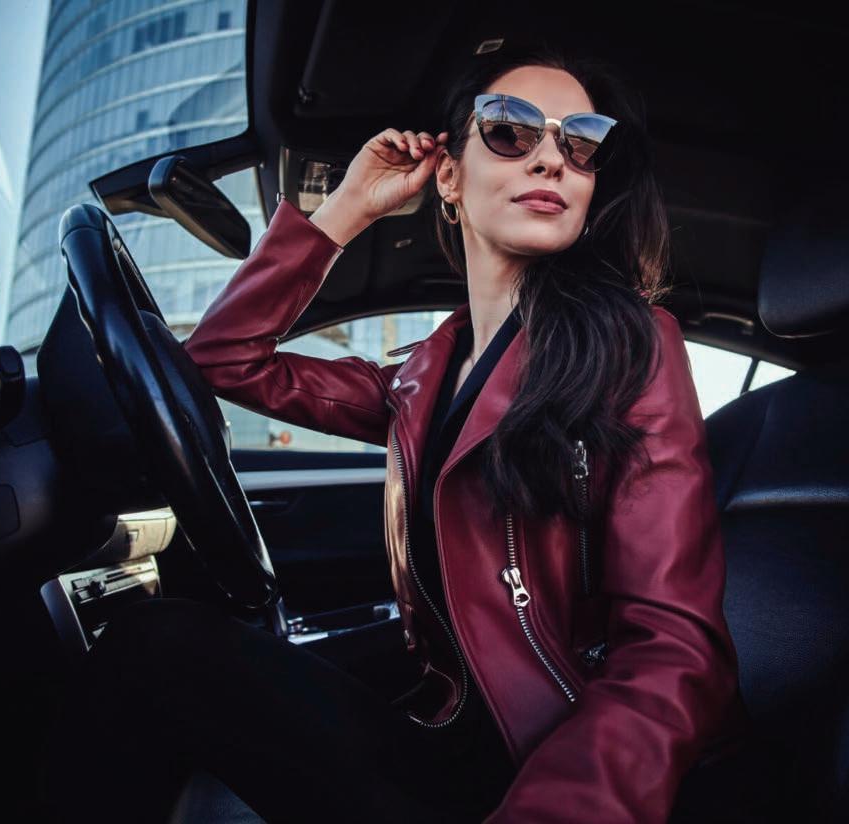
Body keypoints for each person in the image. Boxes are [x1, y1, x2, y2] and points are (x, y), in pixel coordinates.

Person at [41, 42, 750, 823]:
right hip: (442, 736)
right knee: (157, 644)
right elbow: (222, 358)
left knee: (157, 653)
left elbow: (675, 650)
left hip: (546, 767)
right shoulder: (420, 377)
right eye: (510, 129)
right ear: (448, 177)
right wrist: (349, 207)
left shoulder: (632, 344)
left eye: (580, 142)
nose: (551, 158)